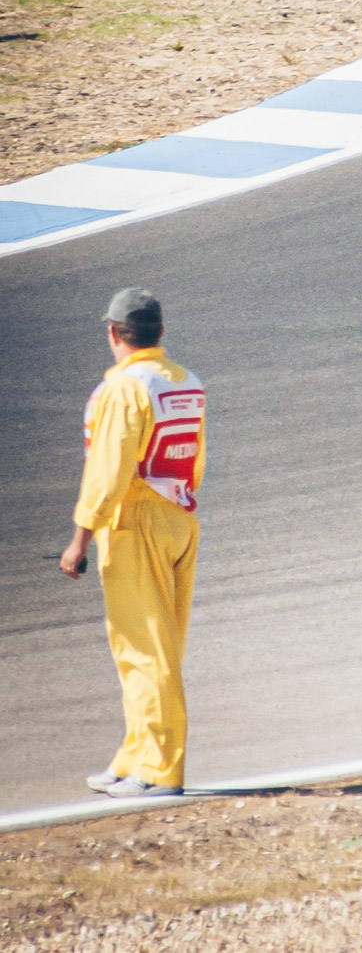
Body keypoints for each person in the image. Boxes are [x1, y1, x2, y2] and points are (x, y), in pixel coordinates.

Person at [60, 288, 206, 797]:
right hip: (179, 514)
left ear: (113, 333)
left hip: (135, 521)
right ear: (159, 332)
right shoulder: (185, 380)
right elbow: (194, 455)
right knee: (156, 648)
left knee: (144, 650)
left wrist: (81, 537)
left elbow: (109, 470)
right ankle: (135, 756)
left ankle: (161, 770)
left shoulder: (125, 388)